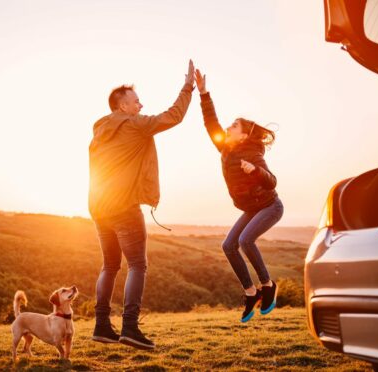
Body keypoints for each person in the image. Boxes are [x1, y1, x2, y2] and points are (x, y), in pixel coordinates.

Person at [88, 60, 195, 349]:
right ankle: (130, 328)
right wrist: (188, 87)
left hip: (98, 206)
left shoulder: (100, 130)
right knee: (137, 264)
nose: (141, 105)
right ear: (122, 106)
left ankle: (101, 326)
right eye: (136, 101)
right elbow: (173, 116)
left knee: (110, 265)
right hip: (123, 206)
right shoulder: (134, 125)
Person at [195, 68, 283, 323]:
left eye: (234, 125)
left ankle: (268, 285)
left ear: (243, 135)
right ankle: (250, 292)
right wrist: (203, 93)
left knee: (245, 241)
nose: (228, 127)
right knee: (228, 245)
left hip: (270, 206)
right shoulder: (225, 148)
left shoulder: (253, 154)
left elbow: (272, 181)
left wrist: (255, 170)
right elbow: (211, 123)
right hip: (252, 207)